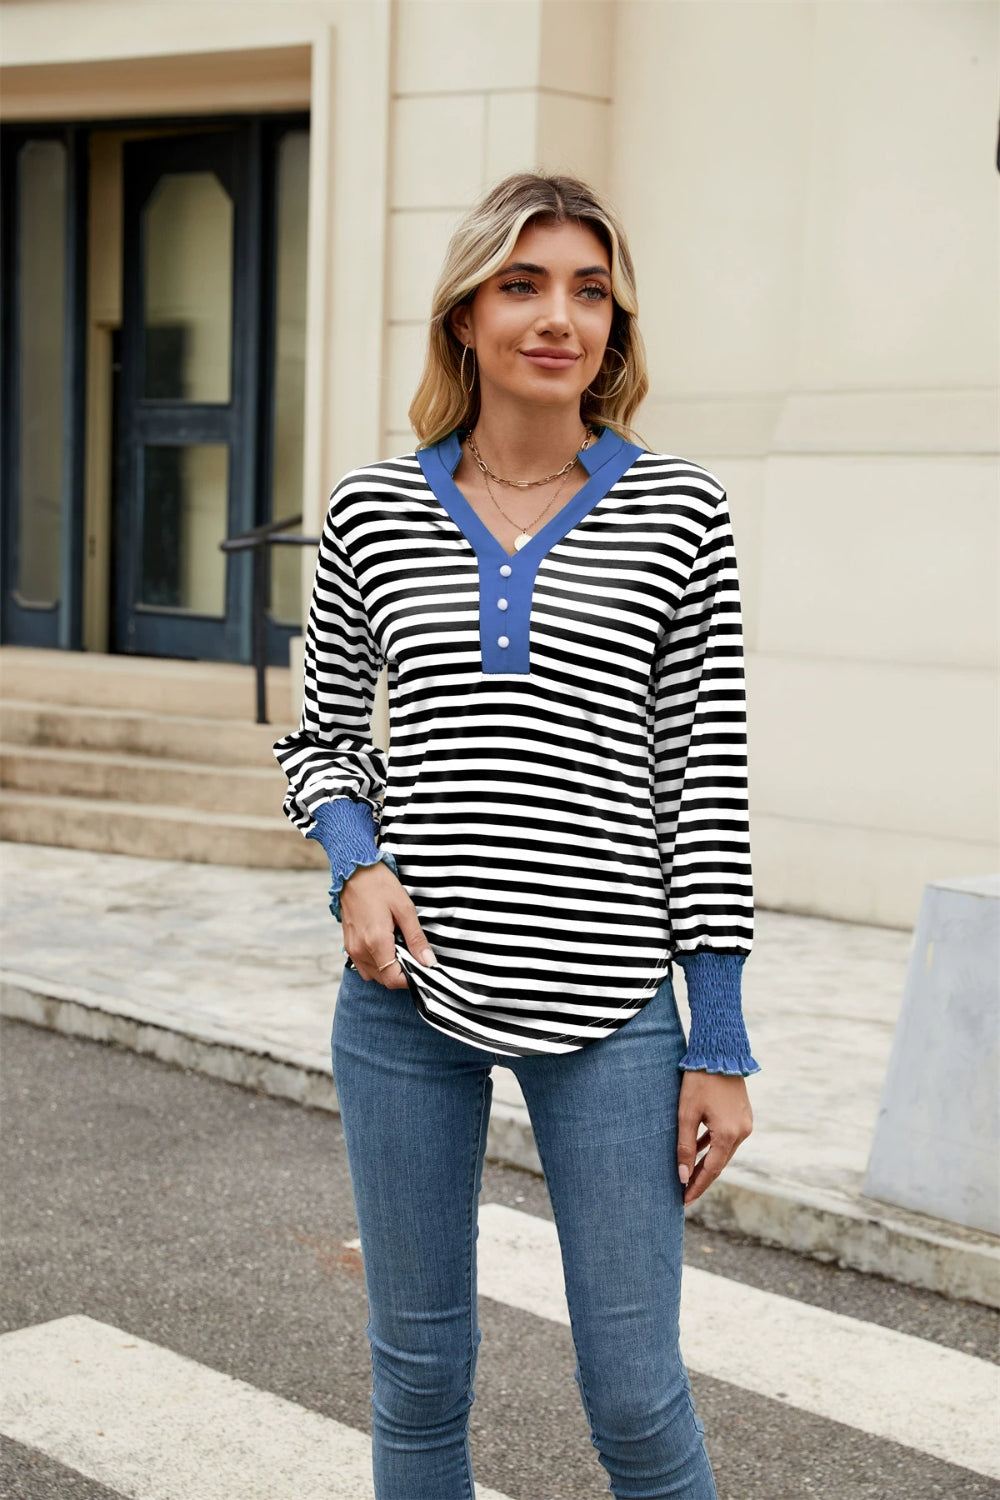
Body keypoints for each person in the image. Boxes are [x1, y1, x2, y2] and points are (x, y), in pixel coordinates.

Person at [274, 172, 760, 1500]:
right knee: (420, 1379)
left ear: (615, 326)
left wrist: (717, 1038)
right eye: (524, 285)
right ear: (466, 315)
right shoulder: (373, 510)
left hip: (613, 1006)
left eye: (590, 291)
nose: (560, 317)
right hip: (406, 997)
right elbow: (320, 739)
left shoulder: (680, 513)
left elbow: (703, 782)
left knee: (638, 1397)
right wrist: (355, 867)